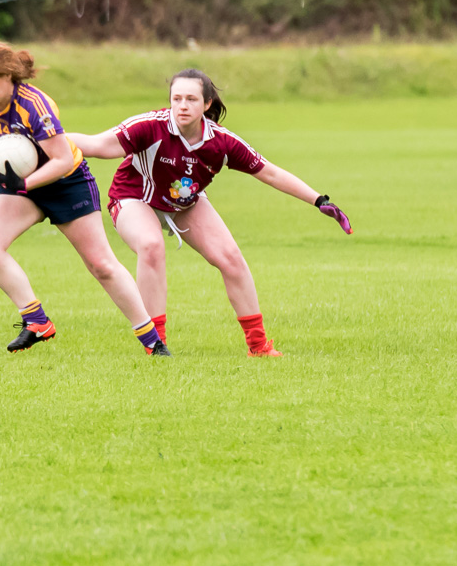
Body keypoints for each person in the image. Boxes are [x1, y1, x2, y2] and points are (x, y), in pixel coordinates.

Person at [67, 69, 352, 357]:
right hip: (133, 196)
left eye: (191, 99)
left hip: (183, 202)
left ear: (206, 104)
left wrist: (318, 200)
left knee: (231, 259)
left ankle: (259, 346)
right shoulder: (150, 126)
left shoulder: (221, 142)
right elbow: (96, 144)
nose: (182, 105)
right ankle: (156, 345)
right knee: (151, 246)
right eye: (176, 98)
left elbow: (271, 174)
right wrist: (48, 139)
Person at [0, 40, 171, 356]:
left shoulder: (36, 107)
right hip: (20, 185)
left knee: (102, 265)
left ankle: (152, 341)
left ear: (8, 76)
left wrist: (24, 182)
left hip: (66, 182)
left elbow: (62, 160)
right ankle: (36, 321)